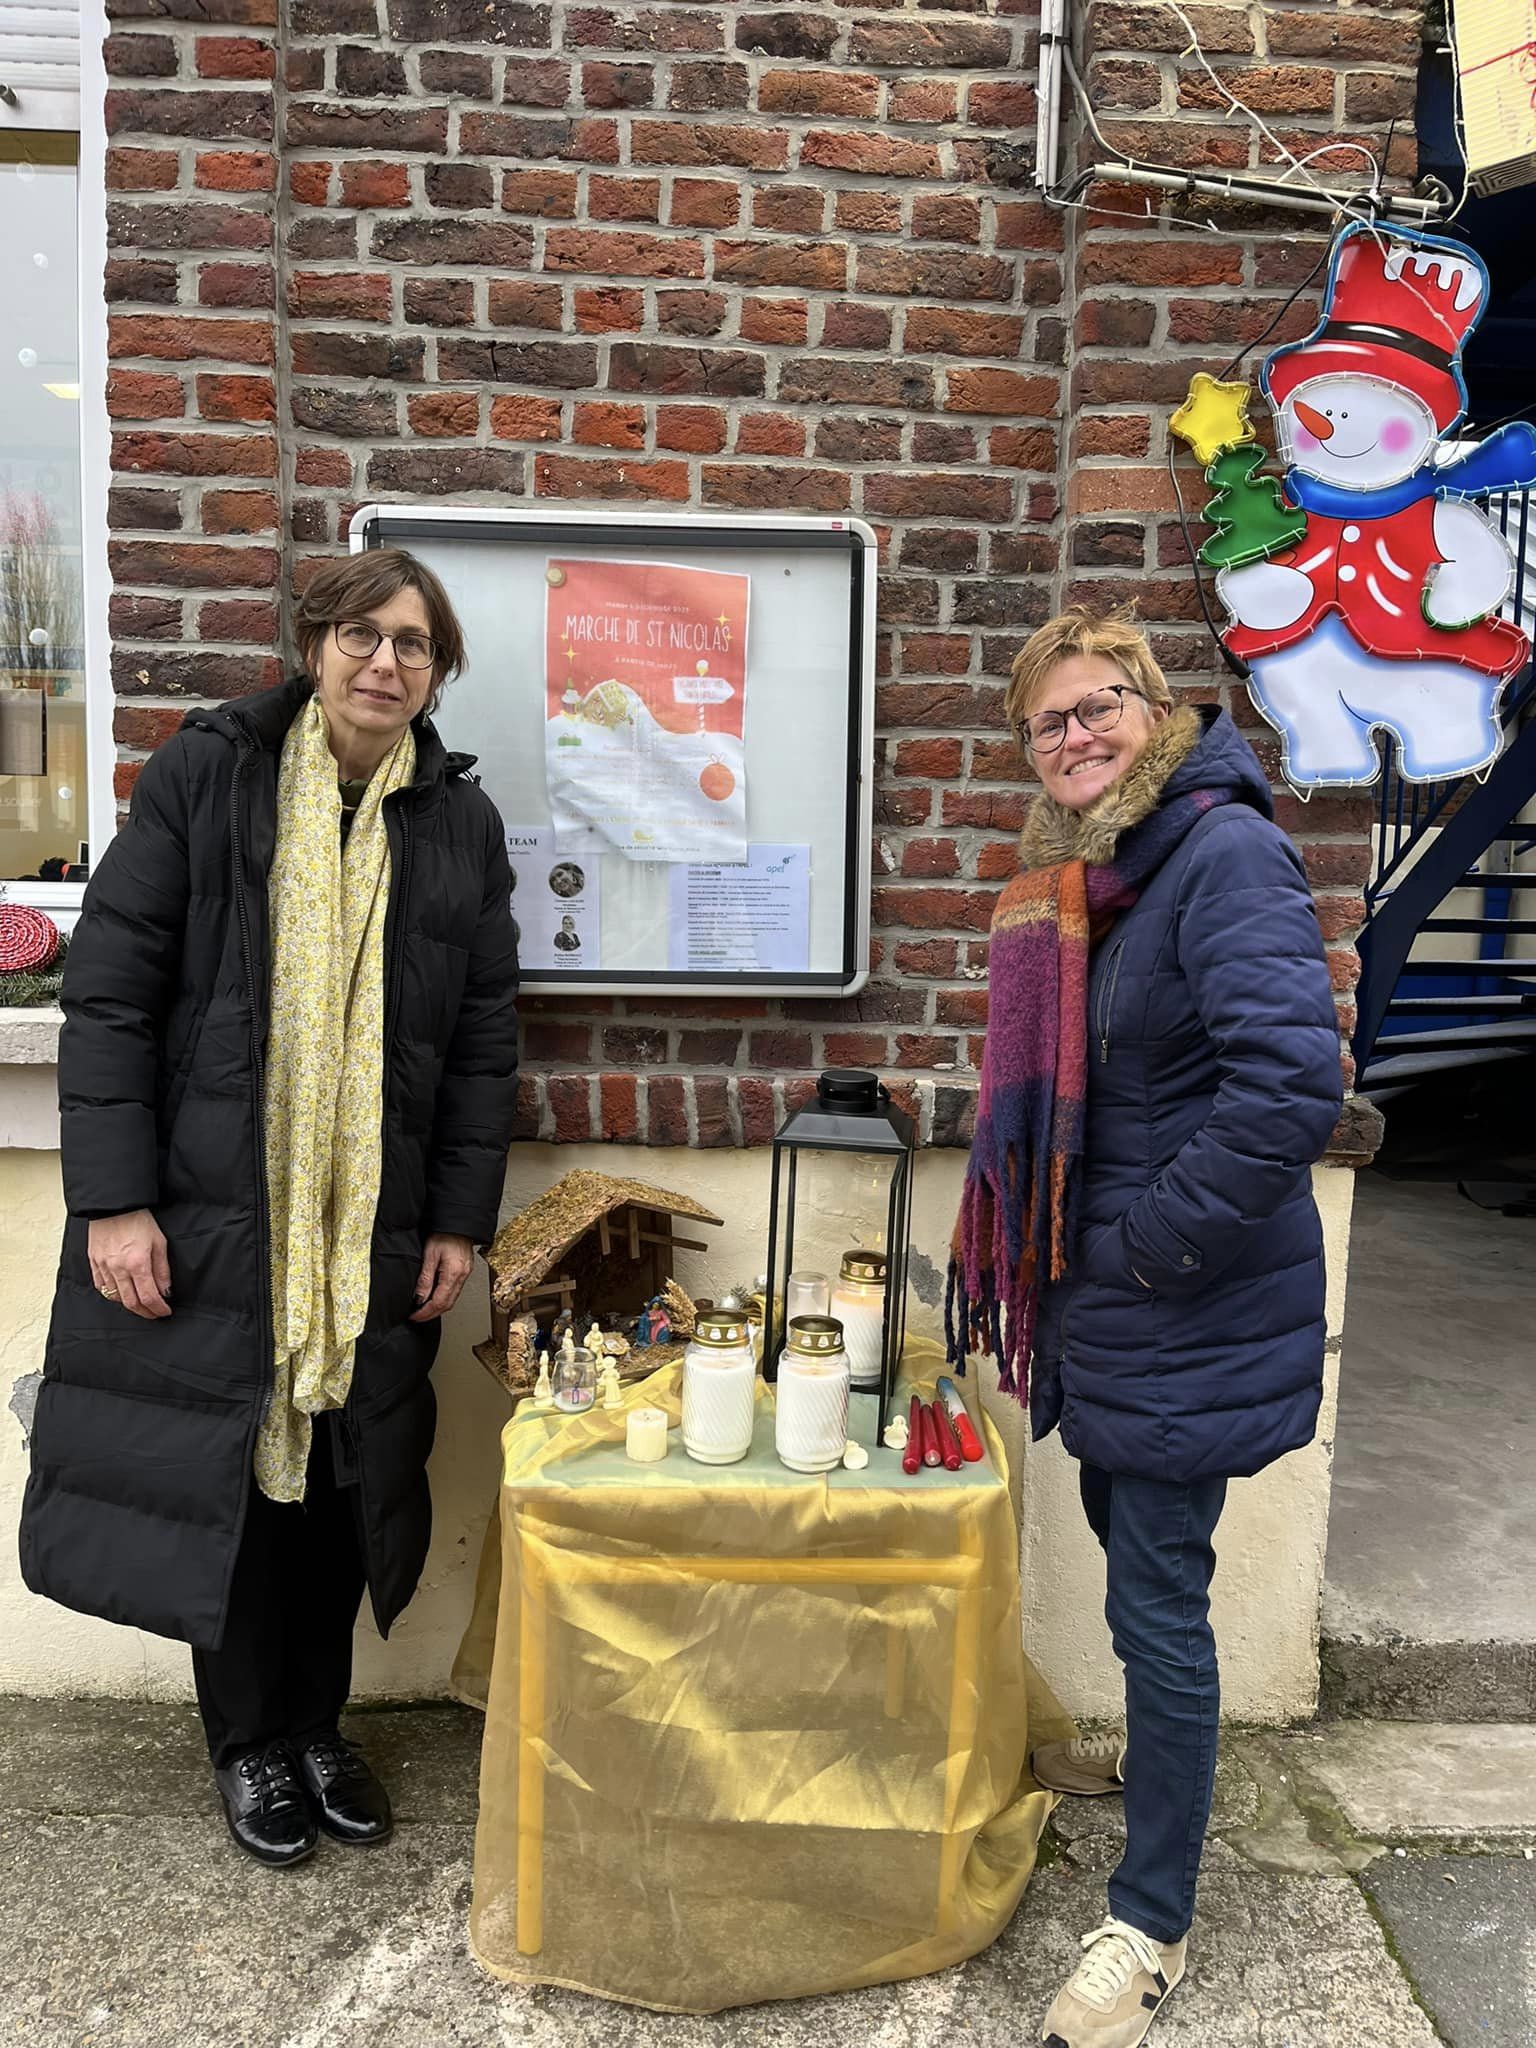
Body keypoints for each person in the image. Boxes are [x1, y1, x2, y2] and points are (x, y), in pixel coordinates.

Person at [20, 549, 520, 1870]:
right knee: (236, 1477)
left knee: (340, 1476)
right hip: (217, 1207)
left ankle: (317, 1726)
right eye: (363, 634)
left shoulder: (457, 822)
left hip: (372, 1215)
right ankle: (248, 1743)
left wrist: (459, 1220)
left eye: (415, 644)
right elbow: (113, 995)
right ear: (314, 645)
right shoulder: (210, 776)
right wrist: (115, 1203)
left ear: (436, 670)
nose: (385, 662)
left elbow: (481, 1039)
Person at [947, 607, 1341, 2048]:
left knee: (1157, 1600)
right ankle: (1162, 1801)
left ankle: (1153, 1919)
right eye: (1047, 721)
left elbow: (1291, 1089)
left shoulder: (1218, 851)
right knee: (1143, 1586)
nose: (1074, 735)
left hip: (1177, 1303)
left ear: (1156, 709)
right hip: (1121, 1312)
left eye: (1099, 704)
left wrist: (1135, 1248)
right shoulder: (1108, 877)